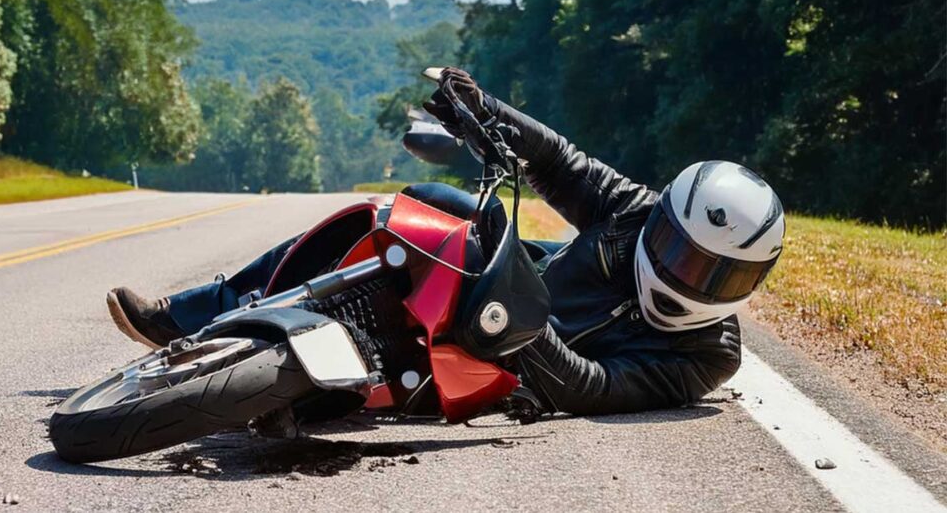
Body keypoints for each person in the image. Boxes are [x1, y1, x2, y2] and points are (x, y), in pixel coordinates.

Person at [108, 67, 785, 416]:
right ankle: (196, 312)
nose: (684, 274)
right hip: (525, 277)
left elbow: (596, 389)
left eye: (714, 274)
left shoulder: (708, 354)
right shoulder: (634, 211)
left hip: (516, 366)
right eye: (678, 248)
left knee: (372, 396)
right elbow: (560, 163)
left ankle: (266, 376)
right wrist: (483, 111)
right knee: (407, 209)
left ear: (747, 286)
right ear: (664, 216)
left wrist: (520, 324)